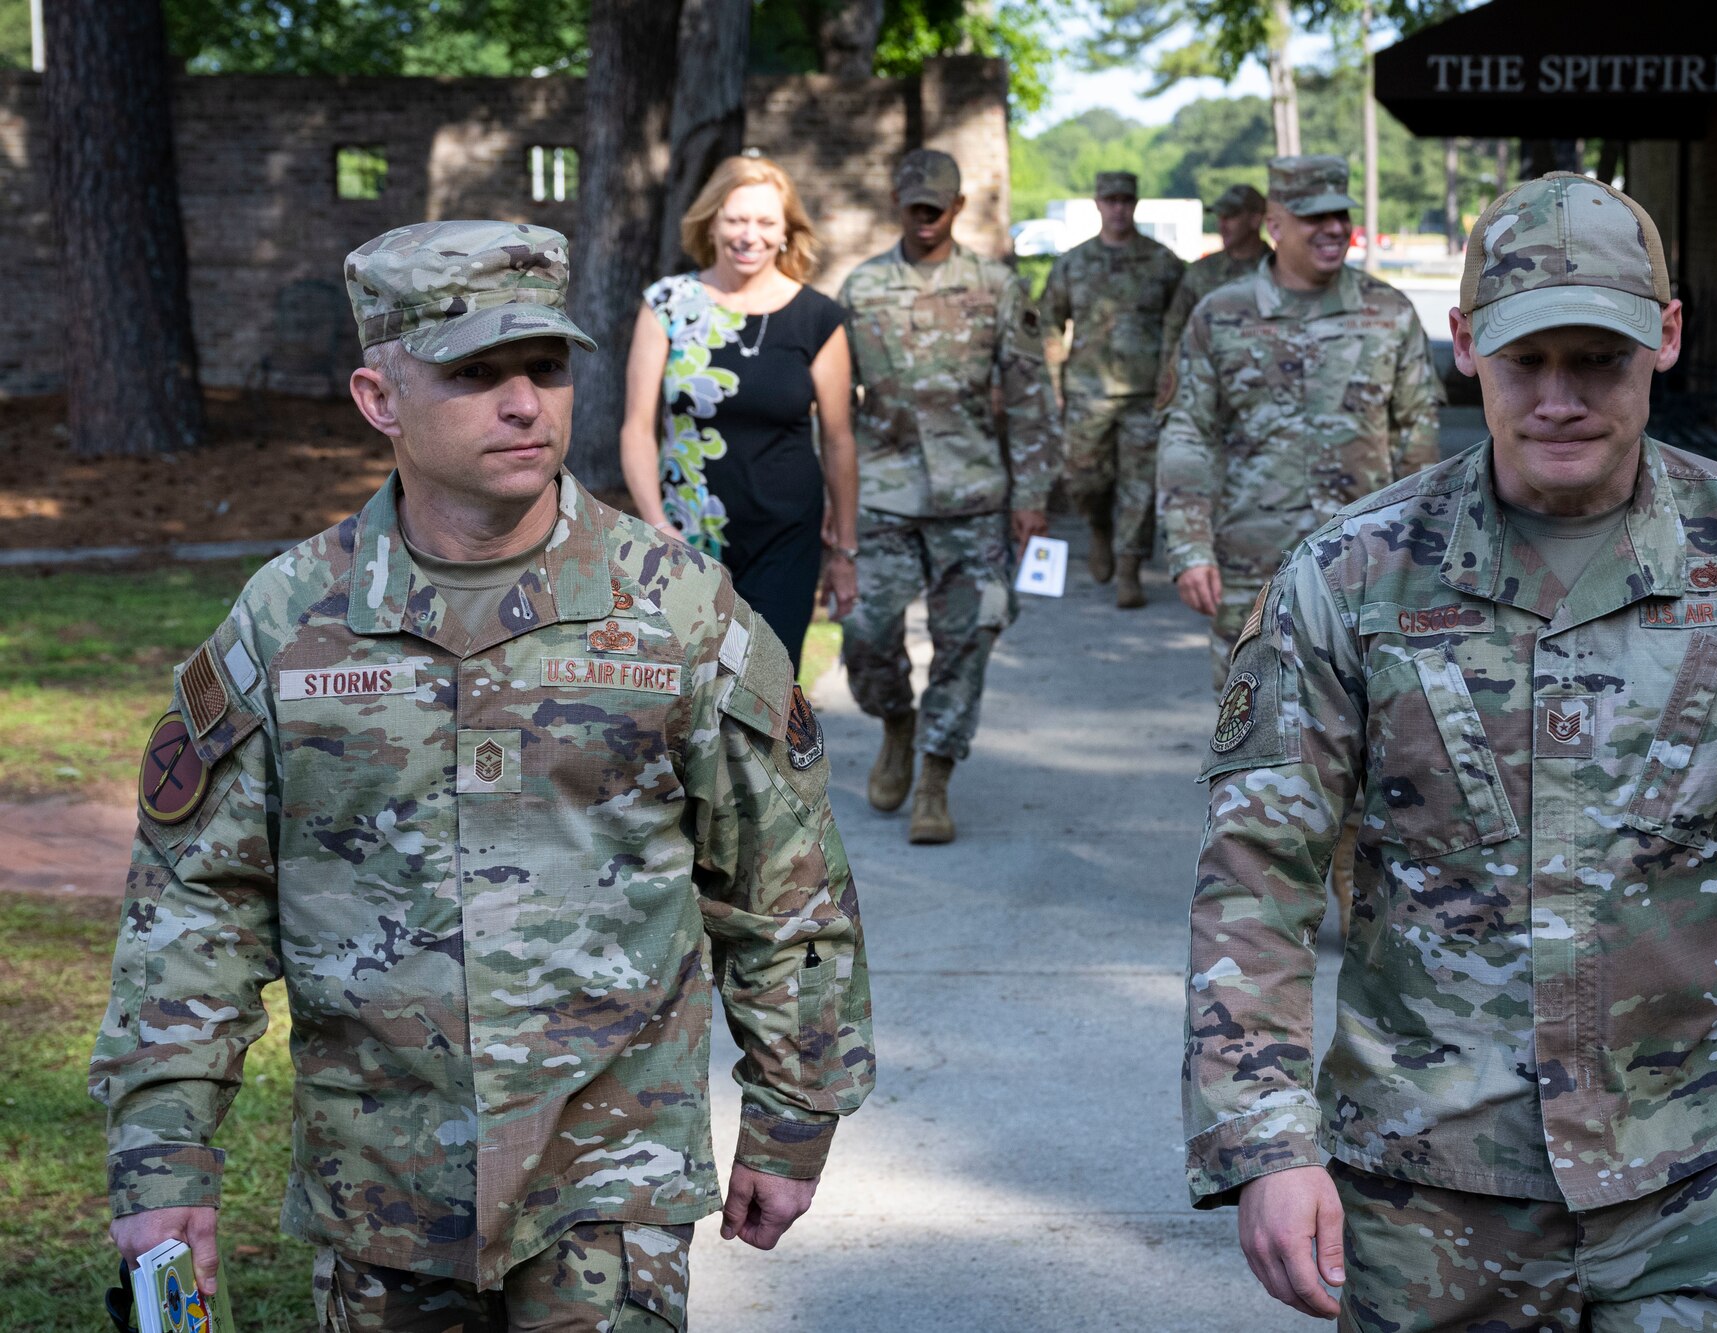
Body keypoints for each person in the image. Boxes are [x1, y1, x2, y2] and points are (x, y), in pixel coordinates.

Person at [1182, 173, 1717, 1328]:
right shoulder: (1345, 578)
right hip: (1431, 1183)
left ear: (1663, 338)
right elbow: (1252, 879)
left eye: (1597, 360)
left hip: (1701, 1168)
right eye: (1526, 361)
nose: (1559, 398)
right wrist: (1263, 1142)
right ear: (1463, 346)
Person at [91, 220, 874, 1330]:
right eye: (473, 372)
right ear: (379, 398)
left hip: (606, 1185)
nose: (524, 403)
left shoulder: (676, 608)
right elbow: (194, 903)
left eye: (545, 368)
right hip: (379, 1192)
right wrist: (163, 1154)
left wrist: (794, 1116)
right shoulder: (289, 619)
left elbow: (781, 881)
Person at [838, 147, 1058, 845]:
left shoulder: (997, 288)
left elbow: (1029, 399)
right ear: (896, 204)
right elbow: (836, 405)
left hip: (973, 497)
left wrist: (1032, 496)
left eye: (938, 207)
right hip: (883, 493)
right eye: (915, 206)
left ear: (957, 208)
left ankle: (935, 772)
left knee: (969, 639)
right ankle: (897, 723)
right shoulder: (862, 288)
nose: (926, 217)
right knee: (864, 632)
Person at [1157, 154, 1441, 694]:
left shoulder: (1389, 313)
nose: (1334, 227)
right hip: (1252, 566)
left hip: (1370, 563)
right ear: (1276, 224)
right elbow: (1186, 433)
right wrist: (1189, 546)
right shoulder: (1220, 315)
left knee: (1377, 734)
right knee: (1253, 733)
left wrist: (1422, 550)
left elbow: (1418, 439)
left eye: (1340, 213)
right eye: (1315, 216)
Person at [619, 155, 860, 670]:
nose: (749, 235)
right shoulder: (668, 304)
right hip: (687, 535)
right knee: (686, 692)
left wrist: (845, 550)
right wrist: (657, 525)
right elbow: (638, 426)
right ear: (711, 222)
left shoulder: (819, 318)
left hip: (787, 538)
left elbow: (839, 440)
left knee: (767, 687)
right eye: (736, 219)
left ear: (786, 232)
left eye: (765, 222)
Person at [1039, 170, 1186, 607]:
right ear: (1098, 204)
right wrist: (1053, 375)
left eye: (1126, 200)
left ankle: (1129, 568)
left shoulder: (1162, 262)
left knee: (1140, 487)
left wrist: (1173, 378)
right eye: (1111, 200)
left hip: (1145, 395)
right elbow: (1048, 319)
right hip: (1088, 392)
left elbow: (1182, 324)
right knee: (1083, 479)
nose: (1118, 207)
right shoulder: (1073, 263)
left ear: (1135, 204)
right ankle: (1099, 528)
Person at [1156, 182, 1270, 390]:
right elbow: (1175, 329)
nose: (1222, 225)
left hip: (1268, 389)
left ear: (1255, 219)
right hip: (1210, 388)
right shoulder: (1202, 272)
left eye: (1231, 217)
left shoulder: (1279, 269)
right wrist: (1169, 382)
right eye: (1220, 217)